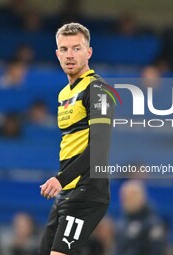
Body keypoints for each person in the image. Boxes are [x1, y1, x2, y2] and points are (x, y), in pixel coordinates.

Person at [39, 23, 114, 255]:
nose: (70, 55)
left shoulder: (99, 89)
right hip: (68, 191)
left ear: (88, 52)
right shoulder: (64, 93)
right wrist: (64, 183)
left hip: (88, 190)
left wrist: (61, 179)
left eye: (76, 48)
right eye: (64, 49)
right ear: (57, 54)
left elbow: (99, 147)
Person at [115, 180, 165, 255]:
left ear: (142, 197)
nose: (127, 201)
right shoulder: (121, 222)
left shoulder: (153, 224)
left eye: (131, 196)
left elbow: (157, 249)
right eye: (124, 197)